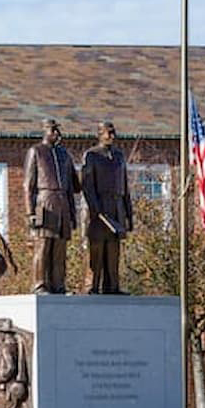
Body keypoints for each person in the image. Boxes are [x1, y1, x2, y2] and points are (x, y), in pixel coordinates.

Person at [24, 119, 79, 293]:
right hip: (44, 201)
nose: (57, 133)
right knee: (43, 246)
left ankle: (59, 285)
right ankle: (39, 284)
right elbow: (28, 185)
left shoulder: (64, 155)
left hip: (62, 203)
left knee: (60, 249)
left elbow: (73, 187)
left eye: (58, 130)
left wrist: (72, 214)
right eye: (53, 130)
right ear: (45, 131)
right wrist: (29, 213)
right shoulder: (36, 151)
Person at [80, 120, 134, 294]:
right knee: (96, 250)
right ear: (100, 134)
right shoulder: (92, 155)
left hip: (117, 206)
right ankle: (92, 286)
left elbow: (125, 187)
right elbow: (87, 185)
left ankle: (113, 286)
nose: (112, 135)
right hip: (99, 208)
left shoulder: (119, 156)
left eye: (113, 132)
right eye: (108, 132)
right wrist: (95, 209)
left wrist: (128, 215)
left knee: (113, 251)